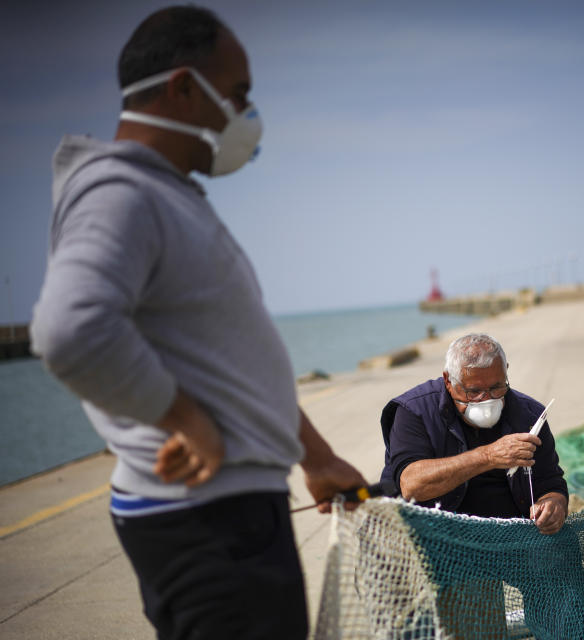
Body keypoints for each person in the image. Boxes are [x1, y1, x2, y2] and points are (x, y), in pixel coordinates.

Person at [30, 6, 364, 639]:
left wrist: (314, 456)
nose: (243, 115)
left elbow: (228, 361)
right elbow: (70, 331)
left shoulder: (168, 195)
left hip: (234, 516)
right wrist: (185, 420)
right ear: (184, 87)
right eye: (237, 95)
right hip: (209, 524)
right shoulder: (120, 193)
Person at [379, 333, 568, 535]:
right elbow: (412, 485)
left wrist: (553, 504)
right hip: (426, 537)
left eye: (496, 387)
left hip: (508, 539)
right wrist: (488, 456)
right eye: (474, 391)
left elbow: (551, 482)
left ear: (506, 372)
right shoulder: (415, 411)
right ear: (448, 381)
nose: (487, 399)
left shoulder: (529, 415)